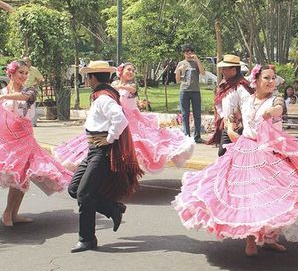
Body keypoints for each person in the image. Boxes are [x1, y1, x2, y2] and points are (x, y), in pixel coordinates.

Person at [173, 65, 298, 257]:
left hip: (271, 152)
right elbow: (231, 115)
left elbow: (279, 108)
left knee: (273, 197)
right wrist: (230, 128)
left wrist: (272, 112)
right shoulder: (246, 101)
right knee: (249, 197)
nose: (271, 82)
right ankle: (251, 239)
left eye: (273, 79)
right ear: (256, 81)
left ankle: (270, 239)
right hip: (245, 151)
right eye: (267, 78)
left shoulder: (275, 99)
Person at [54, 62, 195, 173]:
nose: (131, 72)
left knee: (139, 145)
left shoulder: (130, 85)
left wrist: (119, 86)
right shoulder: (111, 88)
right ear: (120, 72)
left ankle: (123, 173)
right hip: (119, 116)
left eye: (133, 70)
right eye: (128, 70)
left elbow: (130, 90)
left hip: (133, 120)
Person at [67, 61, 144, 252]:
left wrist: (109, 139)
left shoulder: (103, 98)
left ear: (92, 77)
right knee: (74, 188)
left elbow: (120, 119)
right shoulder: (102, 96)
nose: (86, 79)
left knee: (84, 193)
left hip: (101, 152)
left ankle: (87, 239)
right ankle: (112, 208)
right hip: (93, 150)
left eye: (87, 76)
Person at [0, 60, 72, 227]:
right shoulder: (3, 91)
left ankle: (12, 213)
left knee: (23, 177)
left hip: (24, 139)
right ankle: (9, 213)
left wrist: (3, 96)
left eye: (26, 73)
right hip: (7, 140)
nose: (25, 76)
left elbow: (25, 97)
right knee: (16, 176)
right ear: (11, 73)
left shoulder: (30, 90)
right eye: (21, 73)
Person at [206, 54, 254, 157]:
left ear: (234, 70)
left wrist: (239, 120)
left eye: (225, 69)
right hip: (227, 125)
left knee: (232, 154)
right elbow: (219, 104)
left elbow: (248, 104)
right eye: (222, 69)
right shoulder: (225, 84)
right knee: (224, 154)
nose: (222, 71)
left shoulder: (241, 86)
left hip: (239, 126)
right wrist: (224, 117)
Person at [176, 43, 206, 143]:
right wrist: (179, 71)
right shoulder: (181, 63)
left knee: (197, 114)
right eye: (186, 52)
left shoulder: (196, 63)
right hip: (184, 91)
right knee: (185, 114)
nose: (189, 54)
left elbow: (203, 73)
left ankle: (197, 137)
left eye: (190, 52)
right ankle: (186, 136)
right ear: (184, 53)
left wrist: (197, 60)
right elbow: (177, 80)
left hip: (195, 91)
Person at [22, 56, 44, 126]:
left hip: (31, 89)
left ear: (30, 62)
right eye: (25, 62)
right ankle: (23, 122)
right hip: (22, 89)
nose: (26, 63)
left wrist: (36, 86)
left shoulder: (34, 70)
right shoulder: (20, 70)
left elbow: (40, 79)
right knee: (21, 106)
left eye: (28, 61)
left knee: (32, 106)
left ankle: (33, 123)